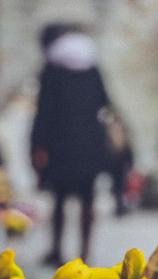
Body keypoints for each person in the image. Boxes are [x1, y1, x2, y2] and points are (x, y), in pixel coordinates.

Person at [31, 24, 110, 265]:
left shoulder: (52, 70)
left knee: (60, 200)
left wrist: (37, 144)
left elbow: (43, 111)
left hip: (60, 146)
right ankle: (85, 252)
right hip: (89, 144)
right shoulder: (92, 68)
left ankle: (56, 250)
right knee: (87, 201)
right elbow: (104, 102)